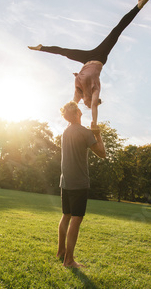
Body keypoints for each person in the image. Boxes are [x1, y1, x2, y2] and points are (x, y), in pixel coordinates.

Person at [29, 0, 151, 130]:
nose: (86, 105)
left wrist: (69, 123)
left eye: (85, 105)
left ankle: (138, 6)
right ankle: (42, 47)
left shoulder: (79, 93)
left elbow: (71, 106)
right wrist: (94, 122)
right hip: (99, 56)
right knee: (115, 32)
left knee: (65, 52)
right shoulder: (95, 91)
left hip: (86, 59)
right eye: (87, 105)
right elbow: (93, 105)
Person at [56, 101, 106, 268]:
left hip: (65, 181)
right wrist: (97, 134)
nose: (80, 110)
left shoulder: (65, 132)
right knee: (76, 219)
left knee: (66, 216)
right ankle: (69, 261)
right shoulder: (85, 132)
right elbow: (102, 154)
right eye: (78, 109)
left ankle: (61, 252)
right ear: (77, 113)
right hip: (78, 182)